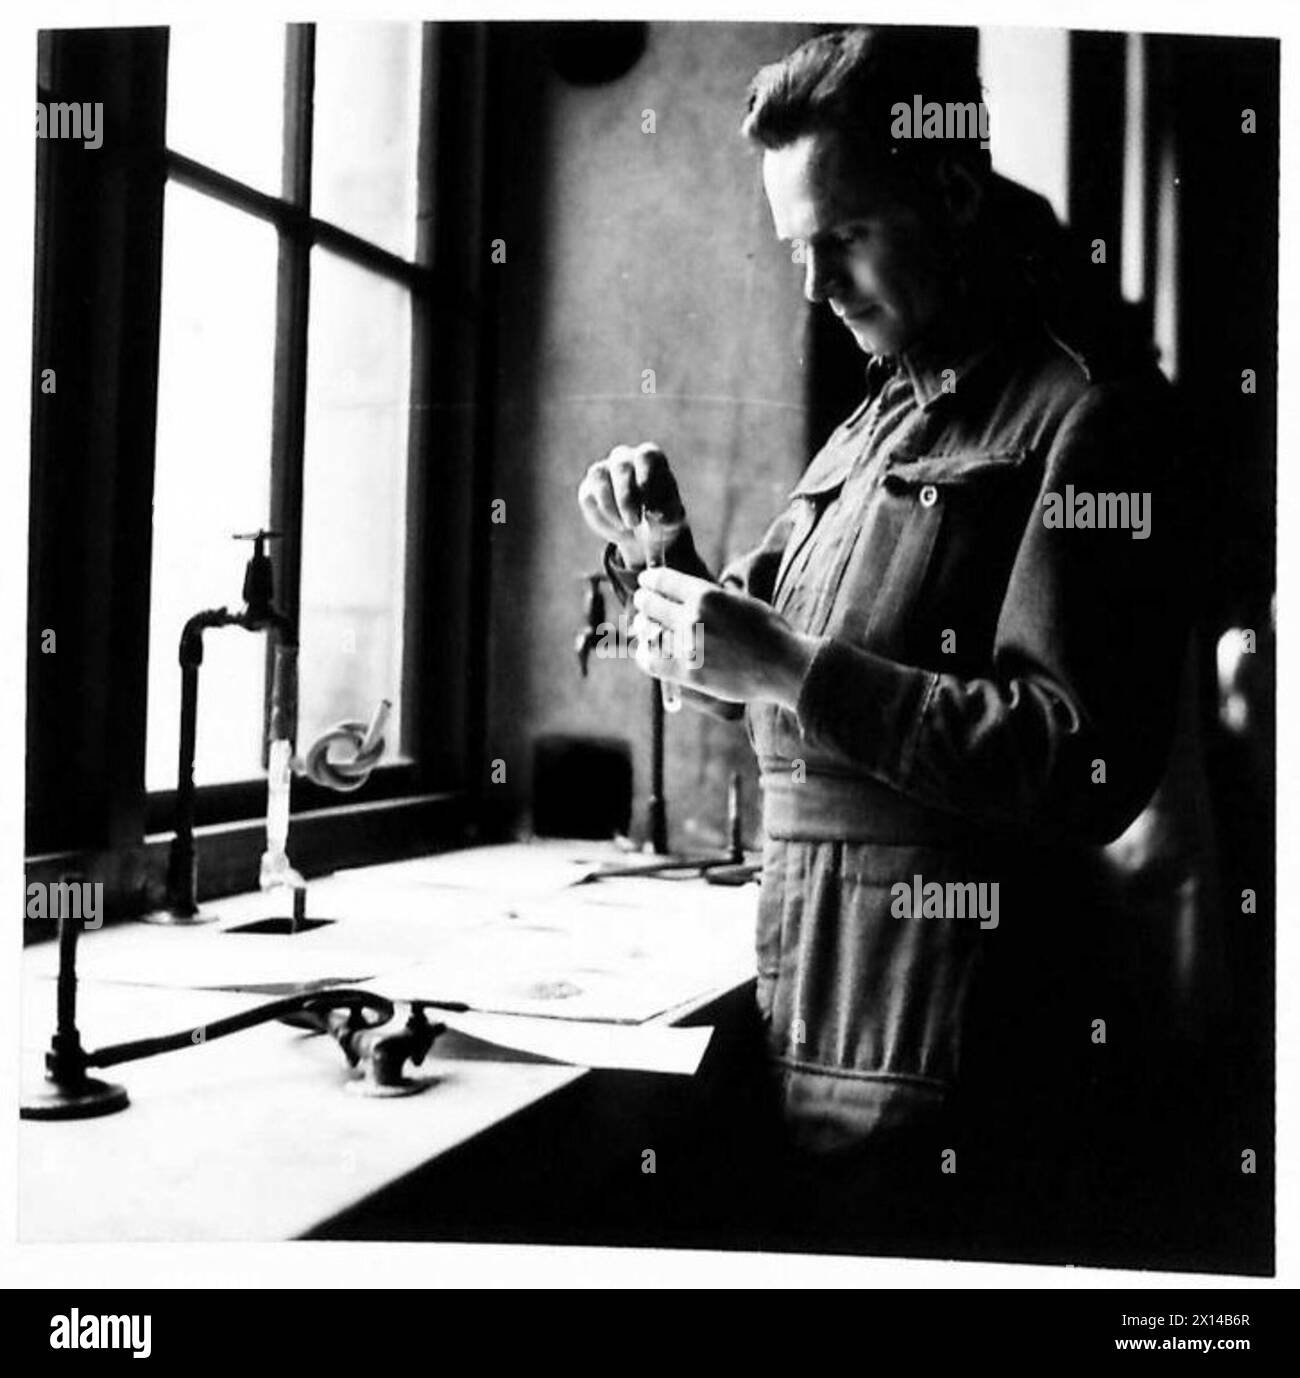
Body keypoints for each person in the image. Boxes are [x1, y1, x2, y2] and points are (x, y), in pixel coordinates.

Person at [577, 26, 1195, 1255]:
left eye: (843, 237)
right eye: (795, 248)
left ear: (951, 192)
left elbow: (1078, 760)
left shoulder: (1086, 417)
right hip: (812, 1024)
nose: (814, 285)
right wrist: (663, 558)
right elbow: (745, 668)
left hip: (965, 1070)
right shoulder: (871, 423)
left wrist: (792, 670)